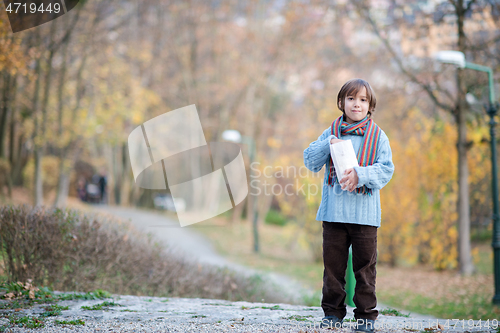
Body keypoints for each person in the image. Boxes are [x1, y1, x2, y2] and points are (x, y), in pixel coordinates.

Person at [303, 78, 394, 333]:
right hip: (334, 214)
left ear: (370, 105)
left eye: (363, 100)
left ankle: (365, 317)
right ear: (341, 103)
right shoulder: (332, 130)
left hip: (365, 216)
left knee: (365, 270)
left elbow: (386, 170)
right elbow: (310, 160)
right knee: (333, 269)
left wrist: (360, 175)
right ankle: (332, 314)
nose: (357, 104)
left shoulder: (378, 136)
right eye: (351, 99)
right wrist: (328, 143)